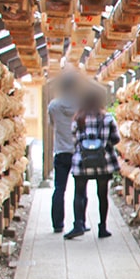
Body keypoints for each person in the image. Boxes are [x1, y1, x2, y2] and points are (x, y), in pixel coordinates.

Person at [64, 90, 120, 240]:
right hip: (103, 162)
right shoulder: (108, 119)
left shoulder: (78, 119)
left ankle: (78, 224)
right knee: (102, 195)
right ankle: (102, 227)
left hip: (82, 162)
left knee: (79, 193)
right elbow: (116, 139)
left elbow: (74, 140)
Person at [47, 72, 80, 233]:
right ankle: (79, 222)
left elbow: (51, 124)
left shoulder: (53, 105)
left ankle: (58, 224)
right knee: (80, 189)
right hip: (77, 151)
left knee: (59, 188)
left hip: (61, 151)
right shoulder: (80, 105)